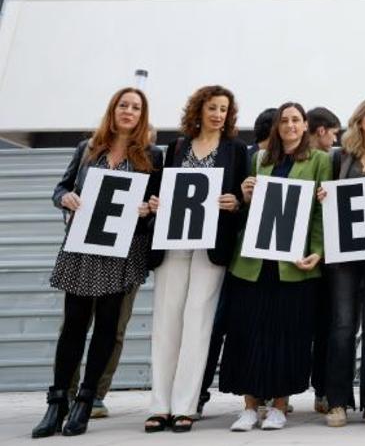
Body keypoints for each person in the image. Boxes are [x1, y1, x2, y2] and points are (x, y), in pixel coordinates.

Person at [34, 87, 162, 438]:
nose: (129, 111)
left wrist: (148, 210)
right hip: (83, 245)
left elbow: (158, 204)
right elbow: (59, 189)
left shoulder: (152, 155)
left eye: (136, 107)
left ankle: (86, 402)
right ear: (113, 109)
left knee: (108, 326)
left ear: (142, 116)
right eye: (124, 105)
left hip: (123, 248)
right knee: (74, 324)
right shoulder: (88, 148)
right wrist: (67, 198)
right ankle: (57, 401)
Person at [145, 86, 248, 433]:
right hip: (173, 241)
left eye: (224, 109)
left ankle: (185, 405)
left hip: (211, 245)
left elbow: (242, 199)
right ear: (199, 110)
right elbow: (154, 192)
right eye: (212, 108)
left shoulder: (236, 151)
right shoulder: (175, 148)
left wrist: (234, 203)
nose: (218, 114)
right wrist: (154, 203)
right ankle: (159, 405)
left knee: (199, 322)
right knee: (166, 322)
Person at [222, 102, 330, 432]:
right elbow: (246, 210)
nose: (290, 125)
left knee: (289, 334)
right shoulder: (259, 158)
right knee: (247, 332)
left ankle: (280, 406)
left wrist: (318, 251)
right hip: (254, 262)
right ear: (277, 126)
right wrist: (245, 196)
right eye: (285, 120)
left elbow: (318, 213)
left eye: (296, 120)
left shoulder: (320, 161)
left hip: (294, 264)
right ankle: (250, 406)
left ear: (306, 125)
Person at [316, 98, 365, 427]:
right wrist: (324, 196)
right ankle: (337, 401)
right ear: (360, 120)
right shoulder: (341, 157)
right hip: (345, 252)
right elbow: (329, 197)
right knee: (342, 326)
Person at [197, 105, 277, 416]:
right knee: (215, 326)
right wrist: (240, 201)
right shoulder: (247, 158)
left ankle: (256, 391)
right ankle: (200, 392)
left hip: (254, 260)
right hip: (231, 257)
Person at [304, 106, 340, 414]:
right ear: (321, 131)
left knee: (325, 327)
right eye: (334, 133)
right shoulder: (322, 160)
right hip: (311, 257)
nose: (334, 140)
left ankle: (322, 390)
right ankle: (321, 391)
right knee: (322, 327)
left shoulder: (334, 162)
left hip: (324, 257)